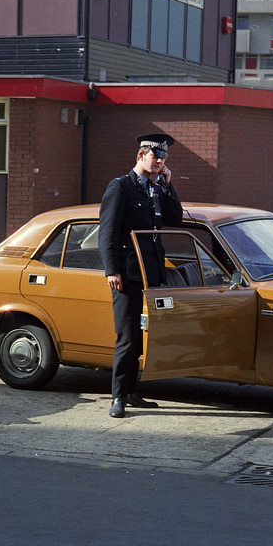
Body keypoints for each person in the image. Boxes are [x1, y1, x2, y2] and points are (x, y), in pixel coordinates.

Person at [98, 132, 183, 418]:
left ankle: (133, 391)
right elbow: (107, 231)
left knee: (145, 336)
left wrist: (169, 185)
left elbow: (175, 219)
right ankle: (118, 397)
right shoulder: (121, 187)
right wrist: (112, 270)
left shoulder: (156, 188)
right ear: (140, 156)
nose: (160, 161)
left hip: (152, 274)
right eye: (155, 155)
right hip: (128, 274)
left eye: (164, 157)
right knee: (127, 337)